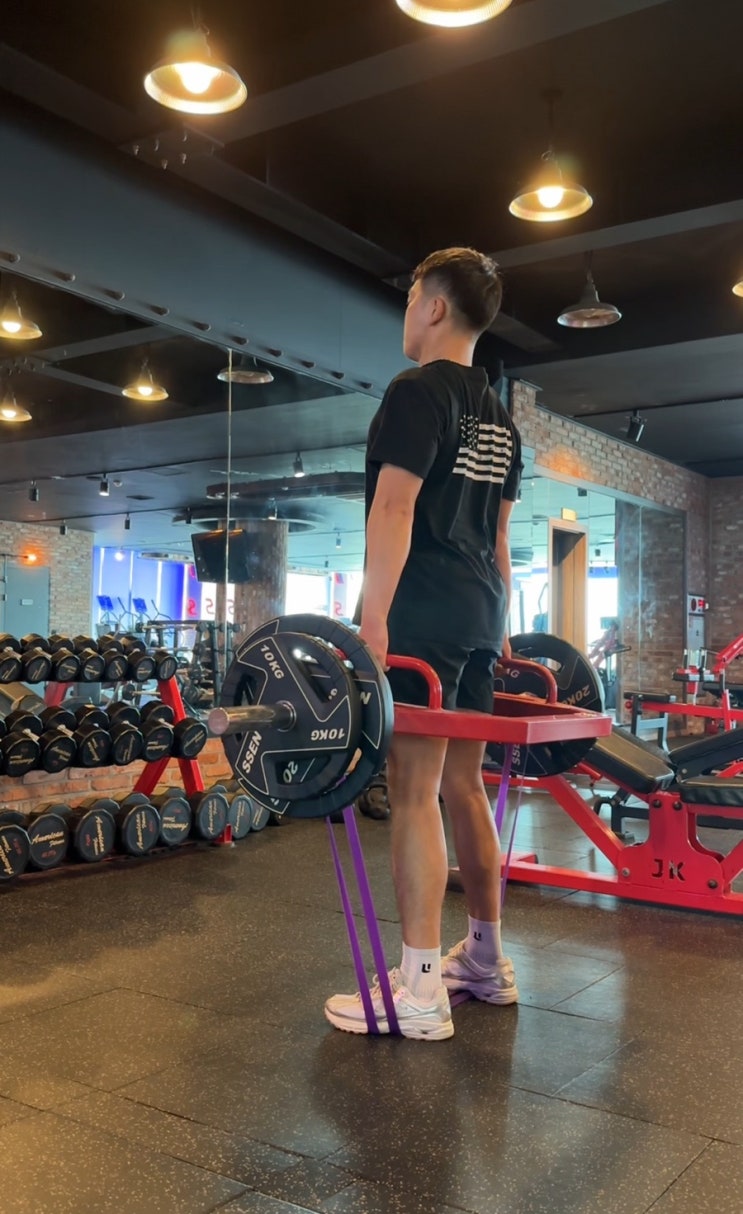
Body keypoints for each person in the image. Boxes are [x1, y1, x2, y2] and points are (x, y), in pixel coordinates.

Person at [324, 247, 523, 1041]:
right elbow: (500, 540)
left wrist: (372, 620)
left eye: (411, 297)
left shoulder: (416, 391)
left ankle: (417, 991)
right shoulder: (501, 418)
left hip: (423, 615)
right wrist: (498, 626)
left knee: (412, 791)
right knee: (463, 787)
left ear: (434, 307)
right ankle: (484, 959)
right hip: (476, 615)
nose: (407, 312)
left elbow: (394, 509)